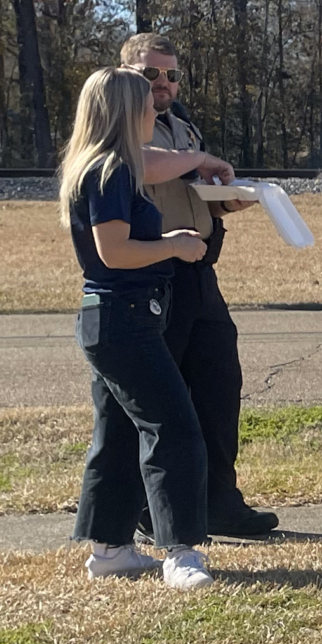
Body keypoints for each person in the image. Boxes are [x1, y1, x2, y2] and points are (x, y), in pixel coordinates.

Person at [60, 66, 219, 590]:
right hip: (122, 319)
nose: (155, 109)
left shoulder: (104, 167)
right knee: (174, 427)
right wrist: (174, 245)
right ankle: (180, 551)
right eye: (146, 102)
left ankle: (109, 548)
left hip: (114, 319)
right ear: (126, 112)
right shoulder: (111, 171)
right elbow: (114, 252)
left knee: (120, 431)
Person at [119, 33, 279, 540]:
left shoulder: (181, 127)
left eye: (171, 75)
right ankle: (152, 507)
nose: (162, 83)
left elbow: (191, 194)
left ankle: (219, 500)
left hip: (197, 272)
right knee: (161, 398)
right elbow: (141, 164)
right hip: (150, 274)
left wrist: (231, 200)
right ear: (127, 75)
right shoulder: (119, 124)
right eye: (151, 73)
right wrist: (198, 160)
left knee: (218, 384)